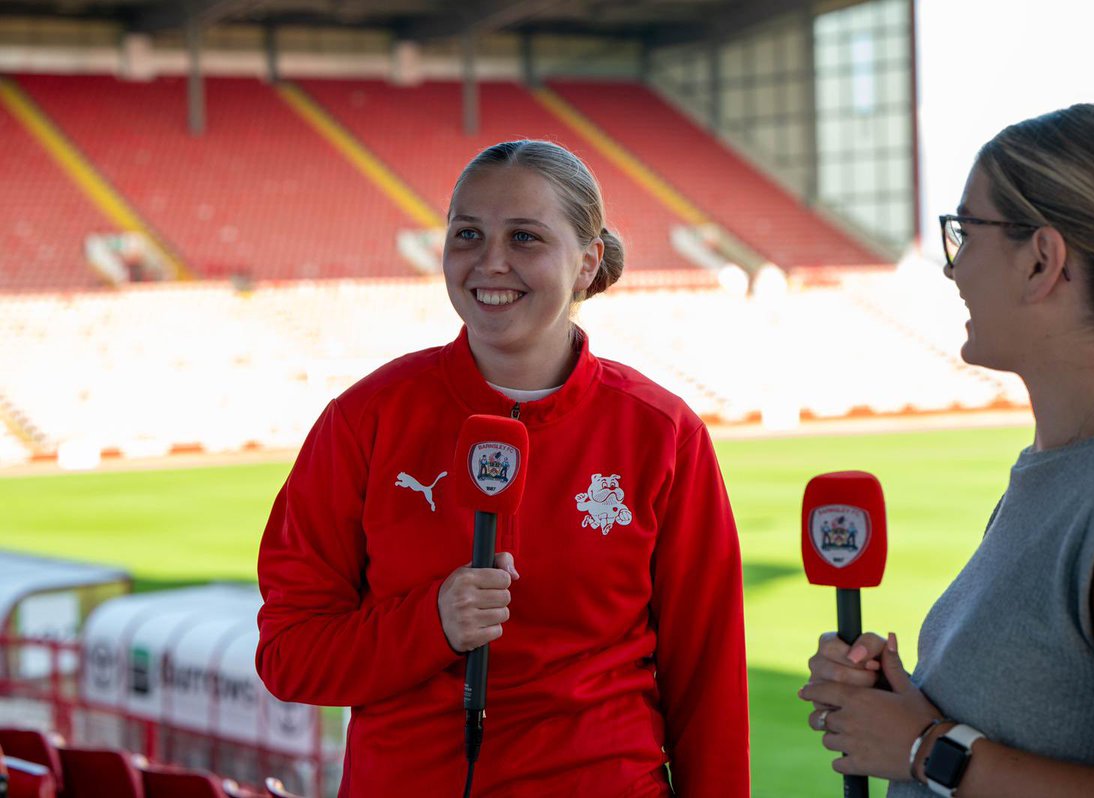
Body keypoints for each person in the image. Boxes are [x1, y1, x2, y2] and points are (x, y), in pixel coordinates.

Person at [256, 140, 749, 797]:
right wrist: (431, 622)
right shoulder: (363, 421)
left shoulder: (663, 434)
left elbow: (707, 680)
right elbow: (290, 656)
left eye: (525, 238)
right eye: (468, 234)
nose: (490, 263)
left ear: (587, 263)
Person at [799, 103, 1094, 797]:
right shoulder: (1068, 464)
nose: (953, 270)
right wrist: (904, 698)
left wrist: (928, 749)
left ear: (1042, 259)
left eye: (965, 231)